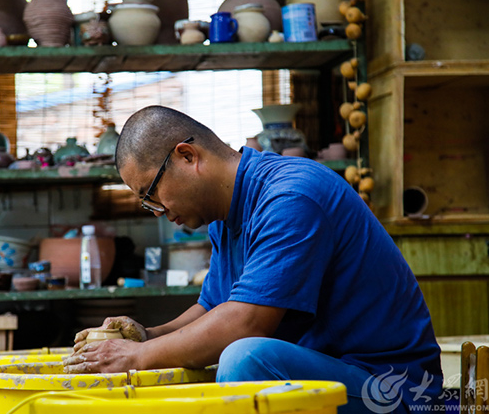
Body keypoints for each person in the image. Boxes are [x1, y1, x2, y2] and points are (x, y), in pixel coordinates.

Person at [63, 105, 443, 413]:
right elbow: (213, 310)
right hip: (333, 372)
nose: (157, 211)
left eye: (151, 193)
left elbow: (246, 323)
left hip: (392, 389)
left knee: (245, 359)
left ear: (187, 156)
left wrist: (137, 357)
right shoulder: (224, 217)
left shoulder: (291, 197)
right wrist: (148, 335)